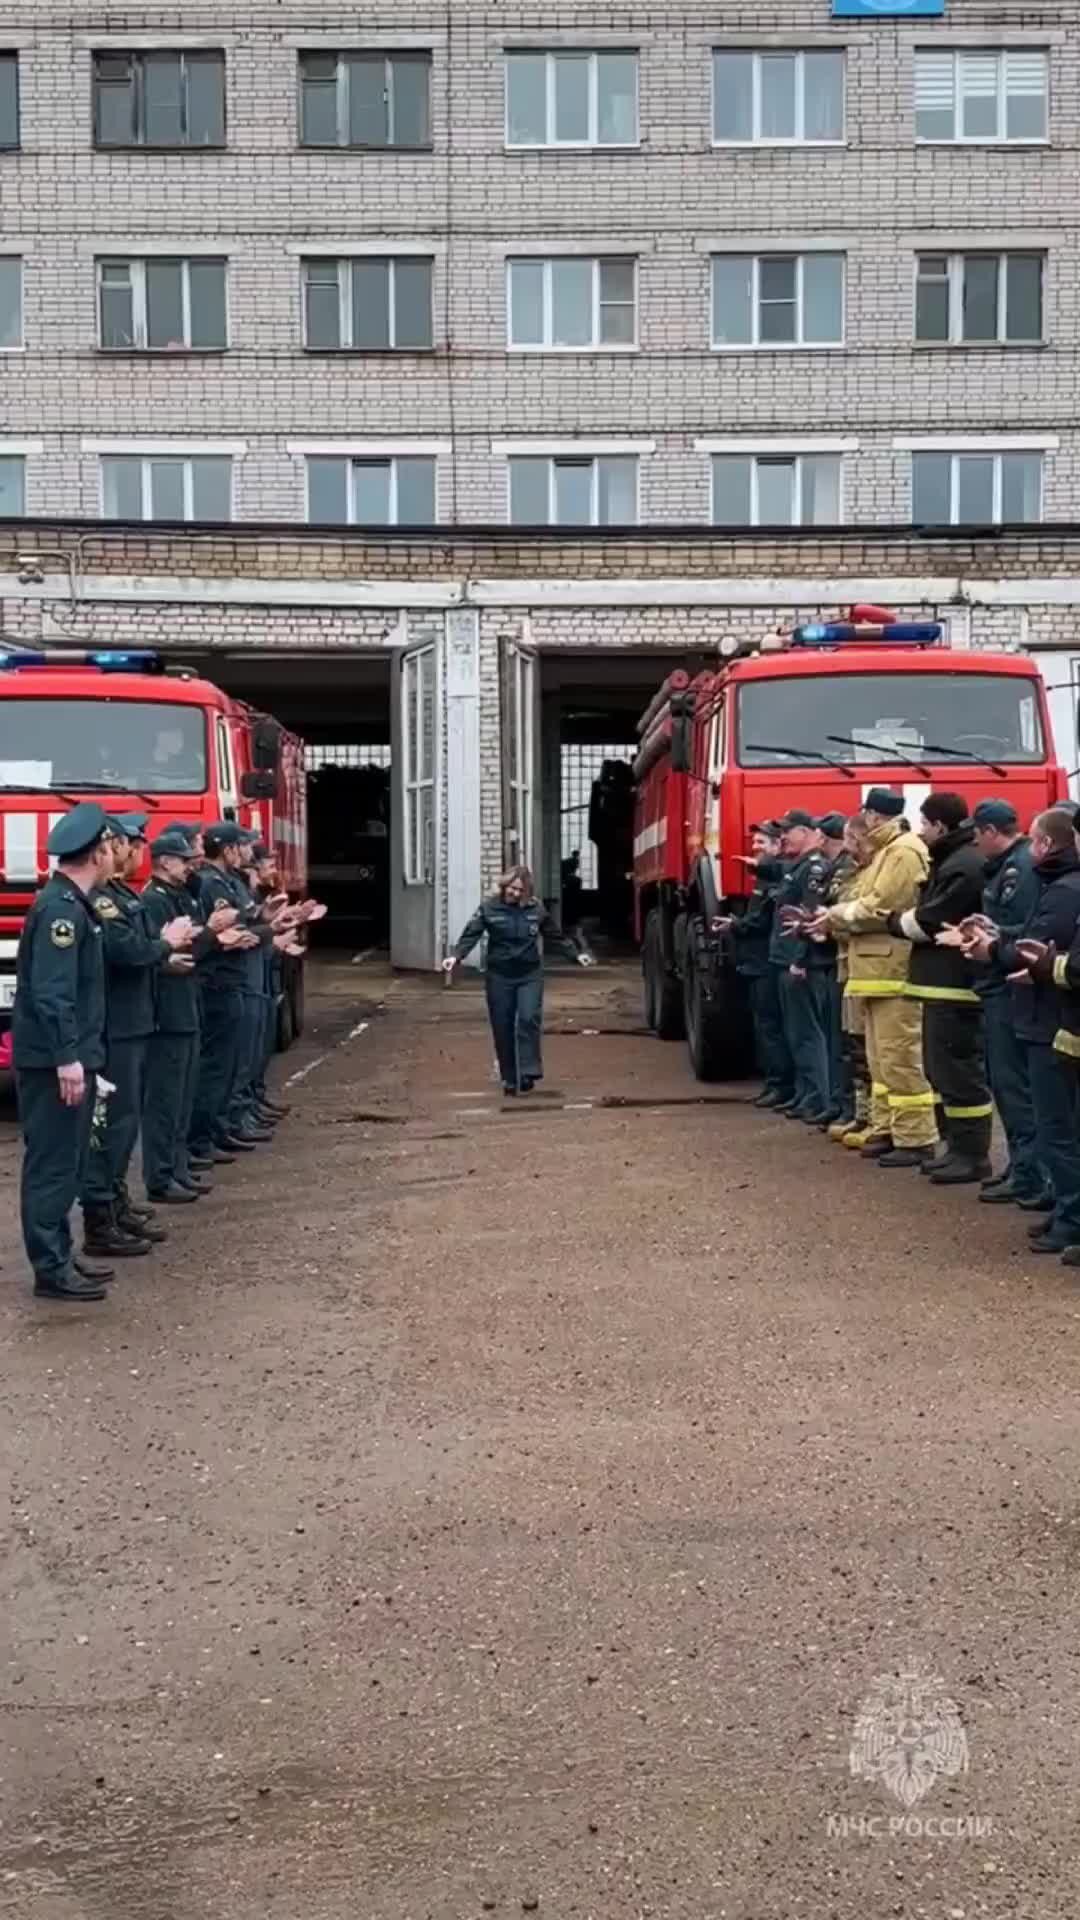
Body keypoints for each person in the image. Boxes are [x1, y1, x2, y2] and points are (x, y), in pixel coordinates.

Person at [957, 807, 1080, 1252]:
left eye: (1037, 840)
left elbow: (1041, 948)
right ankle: (1061, 1209)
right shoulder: (1055, 884)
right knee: (1052, 1124)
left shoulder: (1065, 890)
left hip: (1049, 1019)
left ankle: (1070, 1215)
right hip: (1042, 1014)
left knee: (1058, 1126)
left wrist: (995, 949)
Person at [80, 813, 194, 1258]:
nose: (135, 852)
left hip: (136, 1021)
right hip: (118, 1026)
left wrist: (161, 954)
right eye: (132, 845)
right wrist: (165, 945)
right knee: (109, 1126)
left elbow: (139, 951)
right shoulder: (103, 899)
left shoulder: (122, 894)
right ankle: (99, 1218)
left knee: (124, 1125)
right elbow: (124, 950)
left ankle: (115, 1202)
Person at [12, 803, 114, 1301]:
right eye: (111, 848)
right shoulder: (61, 912)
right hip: (55, 1061)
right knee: (53, 1164)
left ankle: (60, 1253)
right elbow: (54, 994)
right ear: (97, 853)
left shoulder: (72, 905)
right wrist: (67, 1057)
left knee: (68, 1162)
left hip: (71, 1056)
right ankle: (50, 1269)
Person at [804, 788, 935, 1162]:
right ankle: (887, 1128)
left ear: (877, 816)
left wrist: (836, 916)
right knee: (880, 1062)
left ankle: (915, 1139)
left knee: (900, 1060)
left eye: (868, 814)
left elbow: (881, 906)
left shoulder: (903, 851)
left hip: (893, 971)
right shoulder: (885, 852)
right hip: (876, 971)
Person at [895, 793, 992, 1183]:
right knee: (941, 1070)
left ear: (940, 826)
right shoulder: (952, 860)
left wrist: (892, 923)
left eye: (924, 824)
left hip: (956, 986)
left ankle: (973, 1155)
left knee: (958, 1071)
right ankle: (956, 1148)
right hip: (941, 986)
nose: (921, 831)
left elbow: (931, 919)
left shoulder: (963, 866)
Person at [443, 864, 594, 1095]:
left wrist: (576, 955)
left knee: (528, 1018)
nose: (515, 893)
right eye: (512, 888)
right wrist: (455, 957)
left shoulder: (536, 910)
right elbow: (470, 935)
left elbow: (556, 937)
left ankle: (528, 1071)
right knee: (502, 1026)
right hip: (499, 976)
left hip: (528, 975)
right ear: (504, 886)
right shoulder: (489, 909)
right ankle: (509, 1078)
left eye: (520, 890)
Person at [141, 828, 228, 1202]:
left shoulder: (180, 896)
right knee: (165, 1099)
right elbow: (171, 953)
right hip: (169, 1010)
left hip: (186, 1004)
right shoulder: (155, 900)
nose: (189, 867)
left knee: (181, 1096)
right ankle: (161, 1175)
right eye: (182, 860)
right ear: (164, 861)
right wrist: (211, 933)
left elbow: (192, 949)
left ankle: (177, 1166)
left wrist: (208, 936)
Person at [968, 799, 1043, 1207]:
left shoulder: (1020, 869)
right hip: (998, 984)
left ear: (993, 830)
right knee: (1005, 1084)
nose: (976, 841)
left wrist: (989, 934)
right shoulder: (1006, 867)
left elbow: (1029, 927)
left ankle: (1031, 1174)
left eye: (978, 833)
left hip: (1009, 986)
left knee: (1015, 1087)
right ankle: (1021, 1168)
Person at [188, 823, 261, 1161]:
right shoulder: (210, 883)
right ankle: (205, 1136)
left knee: (231, 1062)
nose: (245, 852)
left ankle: (220, 1127)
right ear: (229, 849)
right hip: (217, 981)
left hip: (232, 978)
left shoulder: (229, 882)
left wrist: (269, 923)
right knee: (215, 1066)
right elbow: (212, 932)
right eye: (240, 846)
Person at [723, 821, 792, 1109]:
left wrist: (736, 925)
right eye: (755, 842)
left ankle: (780, 1085)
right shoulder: (767, 877)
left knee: (772, 1027)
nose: (755, 847)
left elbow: (762, 921)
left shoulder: (776, 878)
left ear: (778, 846)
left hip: (766, 963)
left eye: (762, 842)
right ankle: (774, 1083)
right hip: (757, 962)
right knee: (766, 1026)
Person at [768, 810, 832, 1123]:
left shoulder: (814, 868)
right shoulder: (798, 867)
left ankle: (818, 1098)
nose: (783, 837)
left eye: (788, 831)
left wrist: (799, 959)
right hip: (786, 959)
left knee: (809, 1034)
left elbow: (810, 917)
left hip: (800, 963)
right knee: (796, 1033)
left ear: (807, 832)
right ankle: (804, 1093)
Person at [823, 813, 872, 1140]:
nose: (848, 847)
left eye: (852, 840)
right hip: (851, 966)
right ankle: (863, 1114)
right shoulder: (855, 873)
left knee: (871, 1051)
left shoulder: (872, 874)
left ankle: (873, 1120)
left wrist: (832, 920)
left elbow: (859, 914)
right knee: (854, 1046)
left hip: (869, 969)